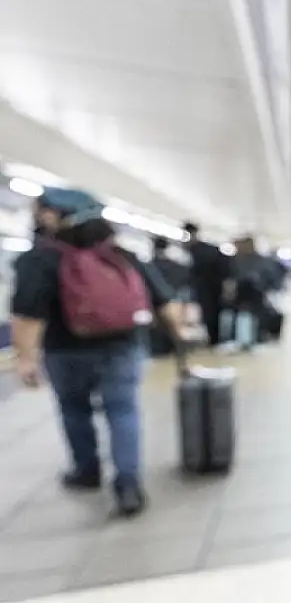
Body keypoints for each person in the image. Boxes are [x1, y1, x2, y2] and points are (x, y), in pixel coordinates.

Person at [10, 189, 185, 517]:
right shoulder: (121, 255)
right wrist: (180, 338)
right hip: (123, 347)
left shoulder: (40, 259)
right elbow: (166, 303)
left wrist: (26, 359)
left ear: (54, 215)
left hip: (65, 350)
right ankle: (128, 485)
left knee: (74, 410)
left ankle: (86, 471)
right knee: (123, 411)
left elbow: (27, 315)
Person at [183, 222, 229, 347]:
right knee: (212, 313)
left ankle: (212, 338)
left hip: (204, 288)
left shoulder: (189, 251)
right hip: (213, 287)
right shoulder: (210, 249)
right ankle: (214, 339)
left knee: (208, 313)